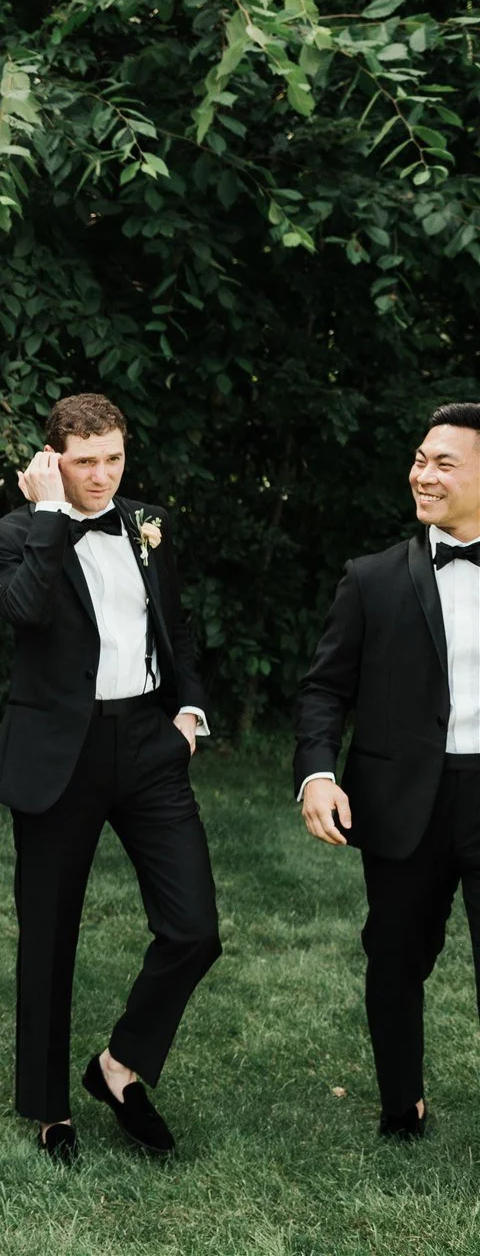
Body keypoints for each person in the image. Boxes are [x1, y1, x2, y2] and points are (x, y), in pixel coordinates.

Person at [0, 394, 220, 1164]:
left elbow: (175, 622)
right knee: (50, 936)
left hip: (149, 742)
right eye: (86, 461)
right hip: (59, 755)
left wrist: (189, 713)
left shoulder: (149, 523)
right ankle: (50, 1109)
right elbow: (26, 610)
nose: (104, 475)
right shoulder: (8, 535)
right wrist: (49, 514)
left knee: (194, 929)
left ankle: (118, 1066)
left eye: (113, 457)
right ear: (51, 459)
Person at [296, 401, 480, 1141]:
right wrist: (316, 773)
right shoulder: (372, 579)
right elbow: (323, 689)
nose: (422, 473)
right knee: (397, 954)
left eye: (444, 462)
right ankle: (402, 1104)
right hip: (405, 796)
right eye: (419, 458)